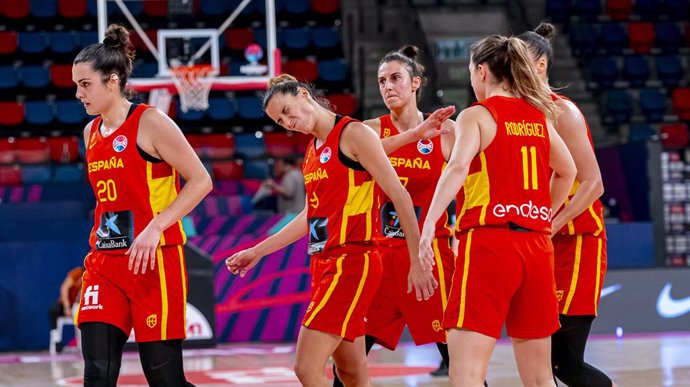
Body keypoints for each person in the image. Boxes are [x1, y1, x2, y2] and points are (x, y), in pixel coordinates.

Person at [226, 73, 438, 387]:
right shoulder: (313, 152)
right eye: (279, 121)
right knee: (351, 373)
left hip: (352, 263)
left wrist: (417, 260)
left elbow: (400, 195)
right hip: (323, 264)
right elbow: (310, 215)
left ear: (302, 94)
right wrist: (258, 251)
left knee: (306, 368)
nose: (287, 122)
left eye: (286, 111)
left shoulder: (353, 132)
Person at [420, 35, 577, 387]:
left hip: (489, 246)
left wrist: (430, 223)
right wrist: (541, 217)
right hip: (537, 249)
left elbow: (457, 168)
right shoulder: (538, 115)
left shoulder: (477, 114)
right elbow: (568, 171)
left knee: (466, 374)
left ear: (481, 71)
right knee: (540, 379)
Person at [73, 24, 212, 387]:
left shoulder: (150, 122)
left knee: (164, 379)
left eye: (85, 84)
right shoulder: (90, 133)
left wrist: (155, 227)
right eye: (76, 85)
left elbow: (201, 181)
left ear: (113, 81)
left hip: (155, 261)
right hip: (105, 263)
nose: (78, 93)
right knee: (97, 373)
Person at [330, 45, 456, 387]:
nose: (387, 86)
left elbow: (466, 187)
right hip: (380, 260)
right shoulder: (367, 131)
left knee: (461, 365)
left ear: (415, 83)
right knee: (348, 368)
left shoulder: (447, 131)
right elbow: (352, 161)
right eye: (382, 80)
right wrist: (413, 135)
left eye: (396, 78)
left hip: (430, 259)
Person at [518, 23, 615, 387]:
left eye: (520, 61)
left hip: (577, 242)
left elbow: (594, 183)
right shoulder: (520, 115)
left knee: (566, 363)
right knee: (545, 361)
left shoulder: (563, 112)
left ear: (541, 65)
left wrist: (550, 225)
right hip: (542, 243)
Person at [49, 266, 85, 352]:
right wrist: (67, 307)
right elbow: (64, 287)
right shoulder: (78, 272)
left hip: (79, 307)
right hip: (67, 305)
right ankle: (56, 341)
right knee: (53, 310)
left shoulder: (93, 277)